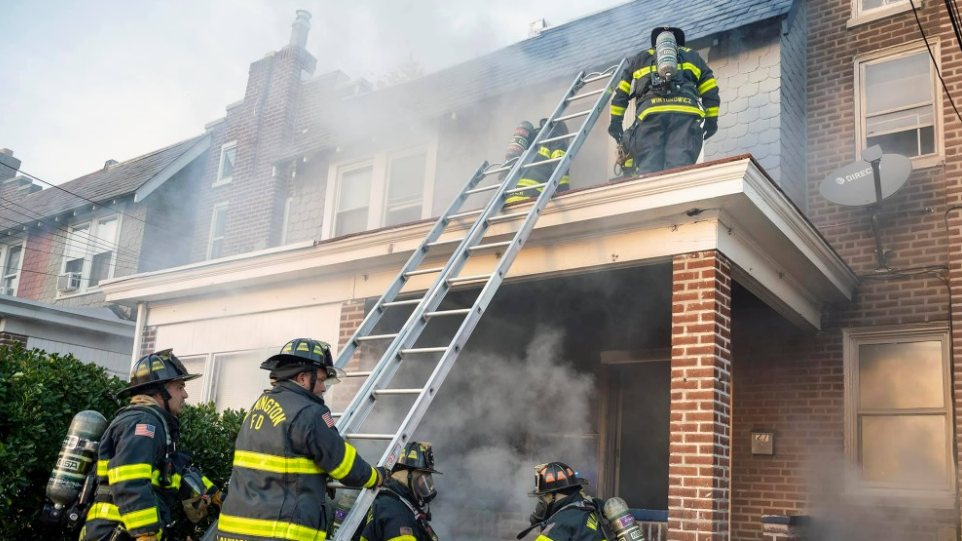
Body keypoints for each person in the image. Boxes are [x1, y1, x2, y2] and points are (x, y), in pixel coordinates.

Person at [215, 338, 390, 541]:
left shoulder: (258, 407)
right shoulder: (309, 412)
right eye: (322, 379)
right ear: (303, 378)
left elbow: (280, 463)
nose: (324, 388)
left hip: (231, 530)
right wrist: (376, 476)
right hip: (277, 532)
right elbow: (344, 464)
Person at [80, 349, 220, 541]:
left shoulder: (153, 422)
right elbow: (130, 479)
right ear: (159, 390)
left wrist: (213, 493)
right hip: (115, 533)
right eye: (180, 387)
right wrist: (146, 533)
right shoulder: (143, 424)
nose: (185, 394)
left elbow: (168, 471)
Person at [608, 26, 721, 176]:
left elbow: (621, 95)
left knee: (650, 165)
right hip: (684, 115)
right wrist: (711, 120)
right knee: (679, 167)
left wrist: (615, 123)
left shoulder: (640, 58)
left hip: (650, 115)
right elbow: (710, 90)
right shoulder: (693, 57)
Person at [357, 442, 440, 541]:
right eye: (422, 476)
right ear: (406, 472)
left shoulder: (384, 500)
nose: (425, 483)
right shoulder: (398, 513)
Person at [517, 462, 605, 541]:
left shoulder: (559, 525)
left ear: (552, 495)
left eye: (543, 497)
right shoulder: (596, 505)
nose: (541, 503)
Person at [502, 119, 571, 204]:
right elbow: (560, 168)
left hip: (508, 200)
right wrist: (565, 195)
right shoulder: (557, 139)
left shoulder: (529, 140)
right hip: (531, 197)